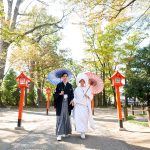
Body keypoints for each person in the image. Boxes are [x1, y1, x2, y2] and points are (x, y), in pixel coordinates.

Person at [73, 74, 95, 139]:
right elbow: (74, 97)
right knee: (78, 119)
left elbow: (91, 97)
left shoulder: (87, 89)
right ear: (79, 82)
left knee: (84, 119)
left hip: (85, 106)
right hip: (78, 106)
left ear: (85, 82)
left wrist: (87, 96)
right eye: (81, 81)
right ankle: (81, 131)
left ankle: (84, 132)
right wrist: (73, 101)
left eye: (83, 81)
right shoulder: (77, 89)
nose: (82, 82)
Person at [54, 73, 74, 141]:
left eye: (66, 76)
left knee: (66, 117)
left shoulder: (70, 85)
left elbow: (72, 95)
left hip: (67, 103)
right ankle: (59, 134)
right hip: (60, 103)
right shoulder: (59, 85)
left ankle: (65, 132)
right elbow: (55, 94)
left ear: (67, 78)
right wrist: (59, 93)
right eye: (64, 76)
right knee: (60, 118)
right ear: (62, 78)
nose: (65, 77)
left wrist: (72, 100)